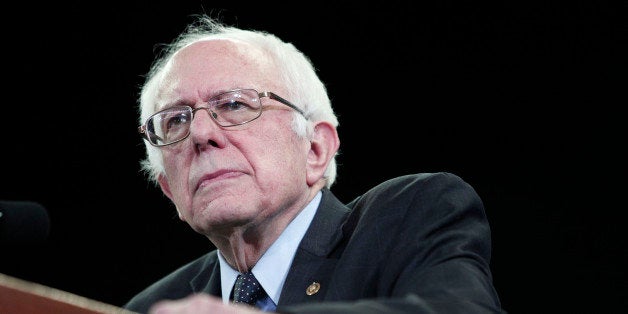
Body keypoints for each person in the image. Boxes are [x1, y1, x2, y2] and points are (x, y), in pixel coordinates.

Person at [124, 14, 505, 314]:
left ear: (316, 149)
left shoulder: (411, 215)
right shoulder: (148, 309)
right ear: (169, 188)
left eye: (235, 104)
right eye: (176, 119)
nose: (201, 133)